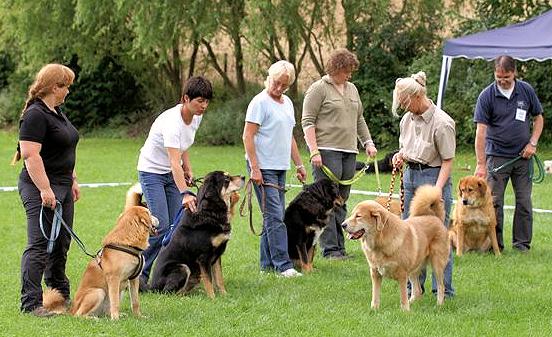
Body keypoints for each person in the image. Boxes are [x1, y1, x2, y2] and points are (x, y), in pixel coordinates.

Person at [13, 64, 79, 317]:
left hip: (62, 186)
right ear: (55, 87)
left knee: (62, 243)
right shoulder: (35, 115)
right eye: (66, 86)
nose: (68, 91)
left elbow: (64, 149)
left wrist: (72, 179)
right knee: (39, 245)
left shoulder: (57, 112)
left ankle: (60, 295)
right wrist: (45, 189)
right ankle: (31, 304)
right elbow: (30, 155)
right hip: (39, 186)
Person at [137, 76, 213, 289]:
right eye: (200, 101)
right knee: (159, 225)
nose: (204, 106)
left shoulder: (196, 117)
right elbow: (172, 160)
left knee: (174, 226)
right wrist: (186, 193)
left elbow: (183, 146)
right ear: (185, 98)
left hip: (172, 173)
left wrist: (187, 167)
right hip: (152, 172)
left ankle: (161, 277)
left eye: (207, 101)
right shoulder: (172, 122)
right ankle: (139, 275)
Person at [301, 48, 377, 260]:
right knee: (327, 202)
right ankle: (330, 249)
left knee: (341, 200)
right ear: (336, 68)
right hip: (327, 152)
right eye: (347, 70)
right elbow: (307, 121)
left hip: (349, 152)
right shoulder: (318, 89)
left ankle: (340, 248)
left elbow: (359, 119)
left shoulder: (352, 89)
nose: (350, 75)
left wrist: (368, 142)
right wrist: (314, 151)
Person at [391, 71, 455, 298]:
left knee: (439, 234)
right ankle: (414, 288)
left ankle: (444, 290)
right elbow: (406, 149)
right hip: (410, 178)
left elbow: (447, 160)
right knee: (410, 235)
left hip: (434, 178)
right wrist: (399, 157)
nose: (405, 108)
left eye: (406, 103)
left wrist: (437, 190)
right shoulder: (406, 120)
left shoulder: (442, 123)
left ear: (417, 96)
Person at [243, 60, 307, 277]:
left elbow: (289, 138)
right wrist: (254, 168)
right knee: (276, 216)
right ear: (268, 78)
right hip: (262, 167)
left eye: (284, 86)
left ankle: (266, 264)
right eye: (276, 83)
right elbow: (247, 136)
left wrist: (299, 164)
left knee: (273, 216)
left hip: (280, 167)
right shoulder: (259, 103)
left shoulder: (287, 103)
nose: (278, 89)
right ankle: (284, 265)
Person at [474, 55, 544, 253]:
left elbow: (538, 118)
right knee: (494, 203)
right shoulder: (486, 96)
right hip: (496, 157)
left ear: (514, 73)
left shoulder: (526, 91)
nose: (502, 81)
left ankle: (522, 245)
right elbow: (481, 131)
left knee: (524, 201)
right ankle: (494, 246)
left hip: (523, 157)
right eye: (499, 77)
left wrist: (533, 143)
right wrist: (481, 163)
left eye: (506, 77)